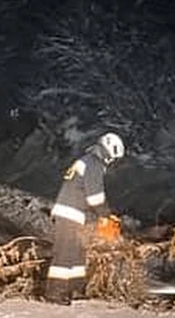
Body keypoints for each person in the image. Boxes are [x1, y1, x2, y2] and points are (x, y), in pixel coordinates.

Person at [43, 131, 125, 305]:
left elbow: (83, 193)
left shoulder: (88, 160)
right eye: (112, 158)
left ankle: (74, 289)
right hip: (69, 213)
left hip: (76, 214)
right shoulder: (93, 163)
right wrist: (106, 215)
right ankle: (55, 293)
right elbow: (94, 196)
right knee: (65, 253)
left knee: (78, 252)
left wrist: (96, 219)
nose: (111, 162)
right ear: (108, 151)